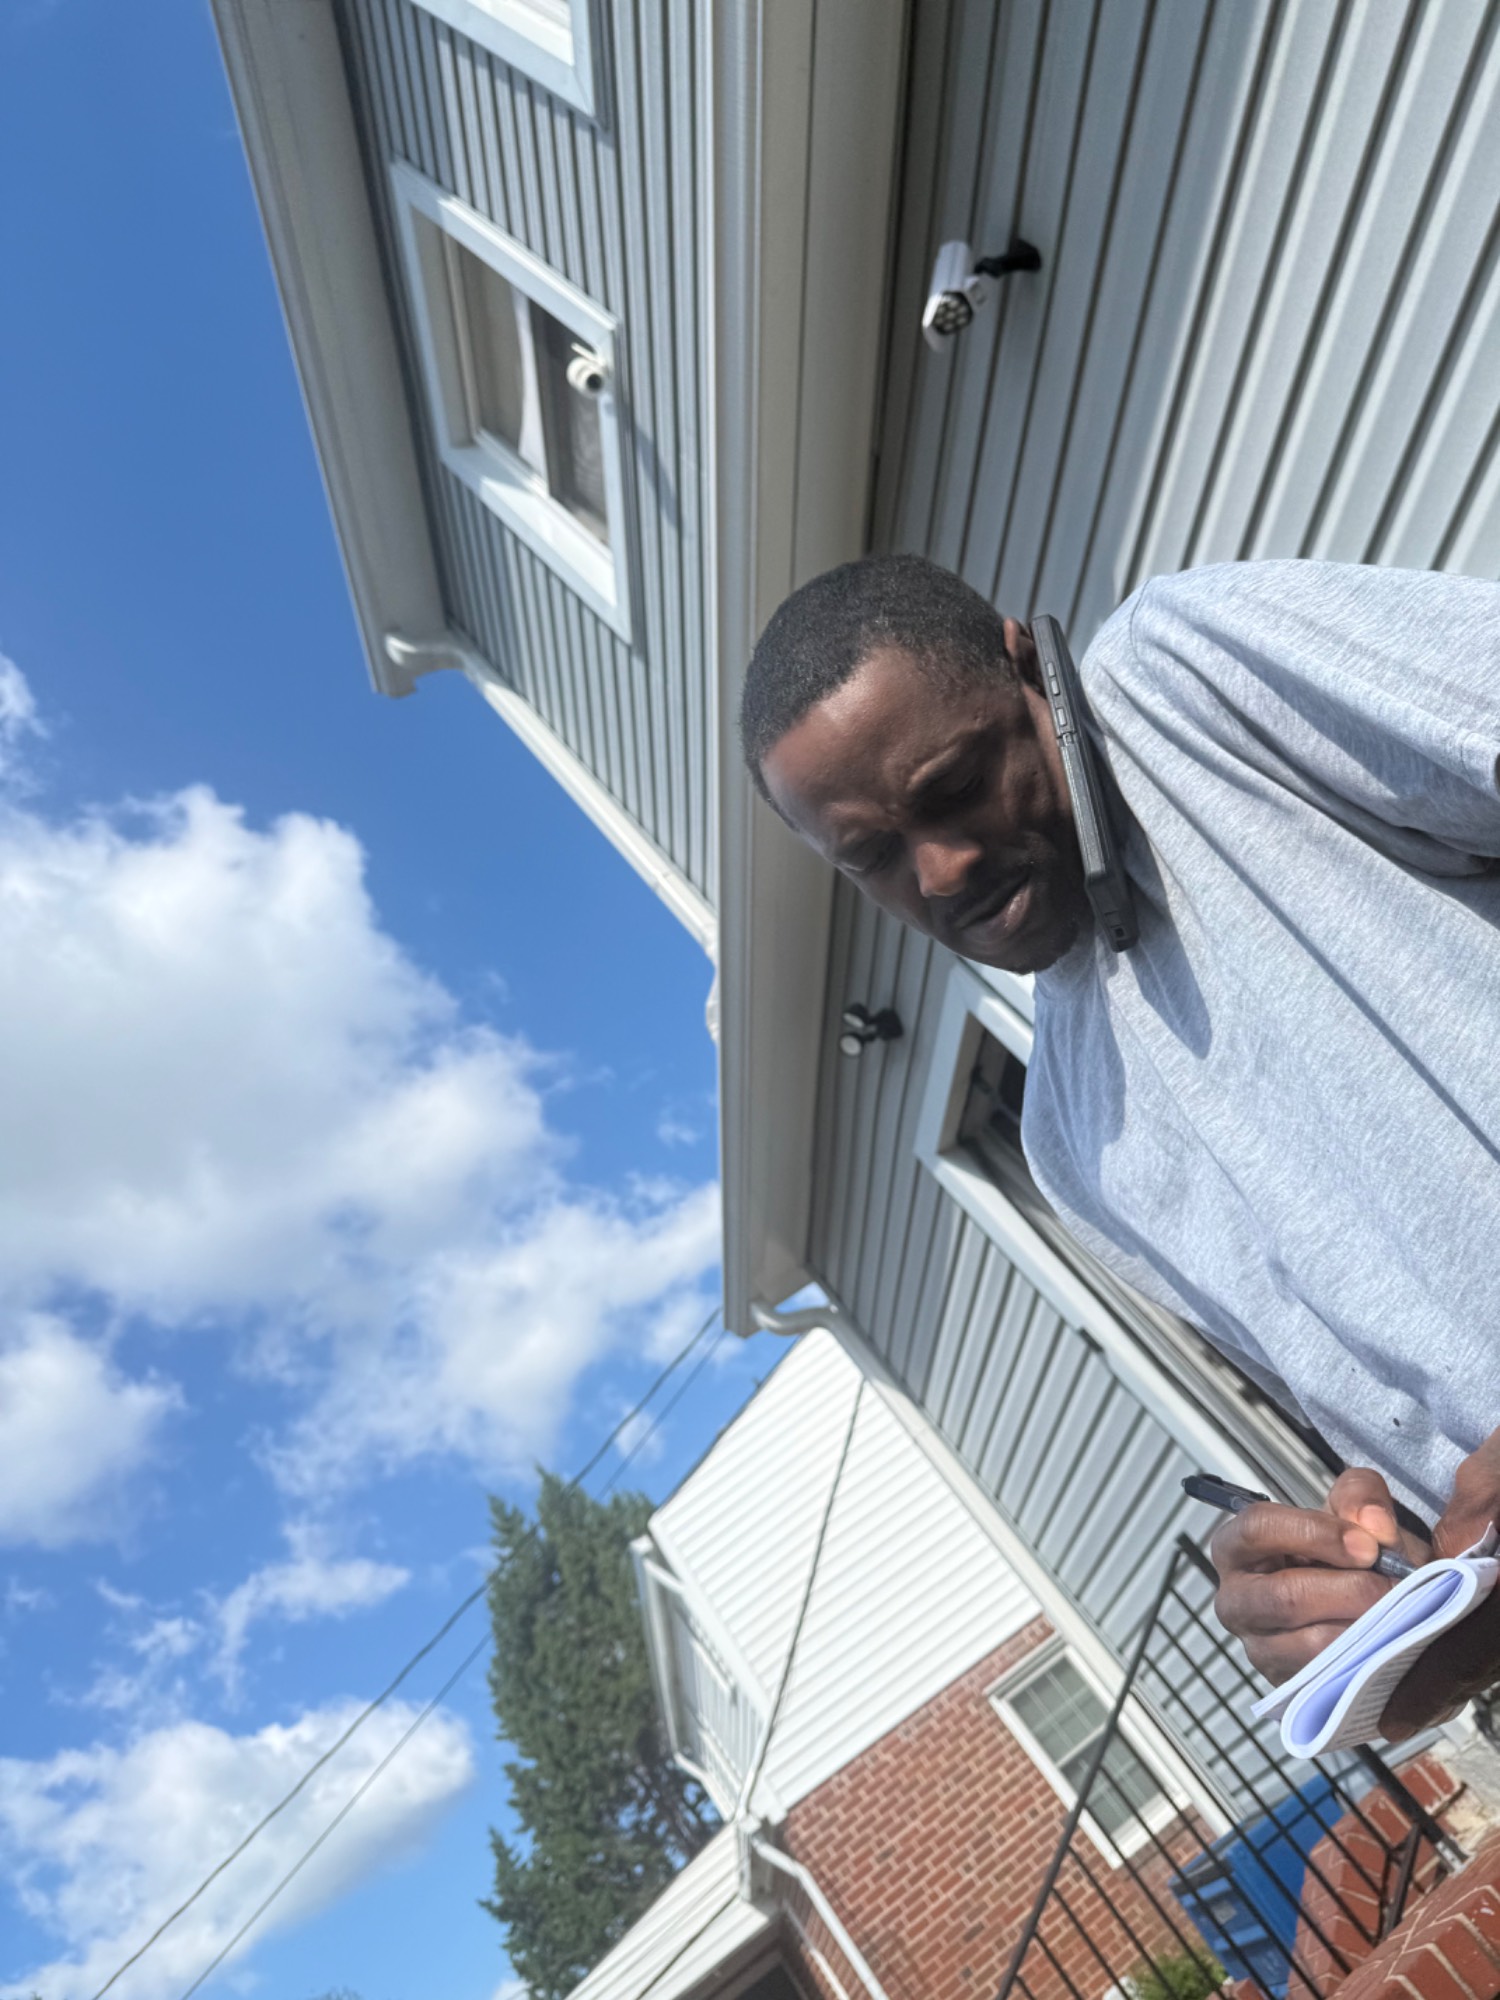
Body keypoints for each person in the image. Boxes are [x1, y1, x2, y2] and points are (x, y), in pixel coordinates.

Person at [740, 551, 1500, 1737]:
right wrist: (1378, 1583)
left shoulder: (1182, 675)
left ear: (1026, 665)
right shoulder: (1067, 1138)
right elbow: (1427, 1441)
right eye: (872, 857)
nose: (938, 867)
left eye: (953, 784)